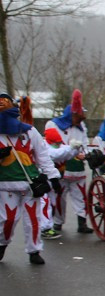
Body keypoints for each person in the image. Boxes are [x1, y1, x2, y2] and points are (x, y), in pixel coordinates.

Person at [0, 93, 60, 265]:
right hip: (5, 185)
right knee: (8, 220)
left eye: (5, 101)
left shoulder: (29, 131)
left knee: (33, 219)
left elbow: (43, 156)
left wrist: (53, 176)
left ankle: (34, 250)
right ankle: (2, 243)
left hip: (31, 184)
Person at [42, 89, 91, 237]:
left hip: (77, 168)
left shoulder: (82, 129)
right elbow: (51, 146)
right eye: (77, 115)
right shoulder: (53, 125)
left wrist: (85, 153)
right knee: (58, 197)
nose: (80, 119)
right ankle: (57, 222)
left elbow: (85, 144)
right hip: (60, 168)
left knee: (80, 196)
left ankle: (82, 222)